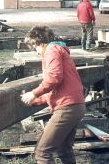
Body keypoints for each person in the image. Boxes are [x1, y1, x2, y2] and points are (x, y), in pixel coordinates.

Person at [21, 25, 85, 164]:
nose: (37, 52)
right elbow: (56, 89)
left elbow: (54, 78)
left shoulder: (51, 50)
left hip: (67, 108)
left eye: (35, 48)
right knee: (64, 149)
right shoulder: (59, 50)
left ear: (40, 43)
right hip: (76, 106)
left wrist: (33, 93)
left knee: (42, 152)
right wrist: (36, 100)